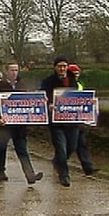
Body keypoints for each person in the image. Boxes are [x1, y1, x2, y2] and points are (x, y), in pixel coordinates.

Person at [0, 61, 44, 184]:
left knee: (22, 150)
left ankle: (30, 175)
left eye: (16, 70)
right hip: (4, 126)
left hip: (19, 126)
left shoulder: (22, 85)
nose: (14, 73)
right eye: (12, 70)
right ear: (6, 71)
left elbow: (28, 103)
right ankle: (0, 171)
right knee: (2, 148)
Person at [40, 55, 79, 187]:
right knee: (61, 148)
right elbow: (41, 98)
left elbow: (78, 98)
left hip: (72, 121)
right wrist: (49, 104)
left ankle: (57, 162)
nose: (62, 68)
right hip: (56, 122)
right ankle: (64, 175)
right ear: (55, 67)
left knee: (71, 147)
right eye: (59, 66)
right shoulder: (47, 82)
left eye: (64, 66)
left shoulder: (73, 80)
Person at [68, 64, 99, 176]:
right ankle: (58, 162)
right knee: (70, 145)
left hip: (79, 119)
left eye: (77, 73)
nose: (76, 76)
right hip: (67, 120)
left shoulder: (80, 85)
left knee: (82, 143)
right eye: (74, 73)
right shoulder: (65, 85)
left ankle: (88, 167)